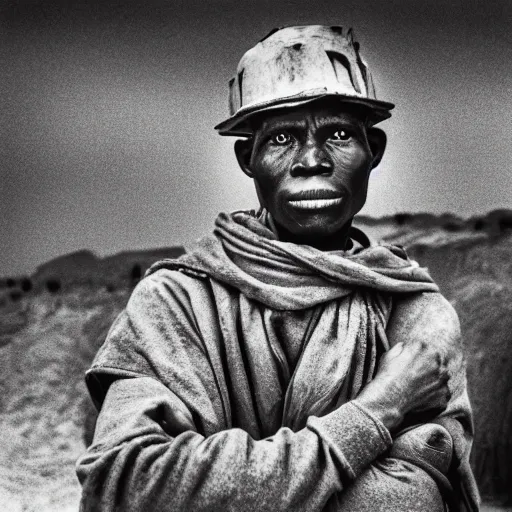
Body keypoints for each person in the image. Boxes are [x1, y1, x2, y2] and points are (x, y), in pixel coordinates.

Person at [76, 25, 480, 511]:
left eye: (338, 134)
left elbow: (407, 499)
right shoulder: (175, 303)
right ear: (248, 157)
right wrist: (377, 409)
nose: (312, 160)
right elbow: (128, 485)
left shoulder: (415, 313)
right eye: (282, 138)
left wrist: (216, 483)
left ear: (374, 150)